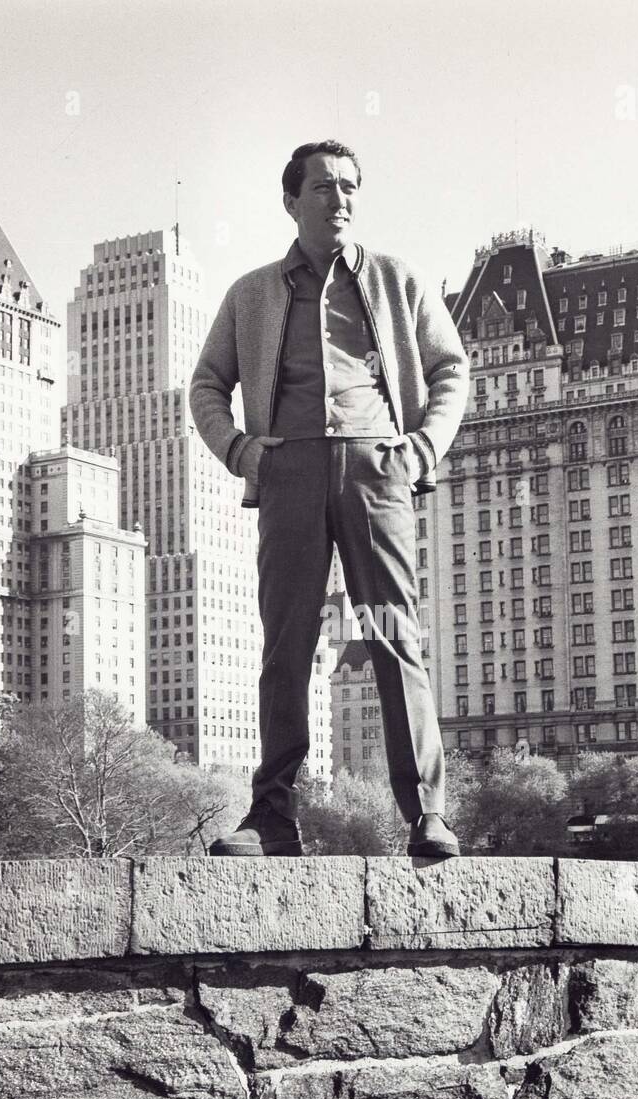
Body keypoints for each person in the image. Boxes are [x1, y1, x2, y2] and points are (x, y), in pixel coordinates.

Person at [190, 139, 468, 859]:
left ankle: (427, 815)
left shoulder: (396, 280)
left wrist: (421, 447)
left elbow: (450, 371)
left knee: (390, 635)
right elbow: (205, 386)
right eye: (322, 187)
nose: (339, 198)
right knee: (287, 645)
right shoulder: (250, 293)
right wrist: (242, 451)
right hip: (289, 472)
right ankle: (272, 819)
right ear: (291, 201)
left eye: (349, 186)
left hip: (377, 471)